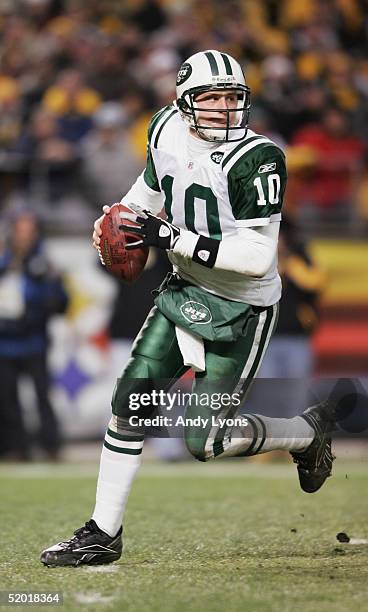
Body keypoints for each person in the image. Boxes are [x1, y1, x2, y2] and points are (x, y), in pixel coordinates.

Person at [41, 50, 337, 567]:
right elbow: (150, 190)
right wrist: (121, 217)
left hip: (241, 305)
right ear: (182, 101)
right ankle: (102, 531)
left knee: (206, 439)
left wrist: (170, 237)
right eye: (211, 98)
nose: (223, 108)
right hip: (184, 289)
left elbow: (256, 256)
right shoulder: (164, 129)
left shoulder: (258, 157)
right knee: (129, 399)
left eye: (232, 97)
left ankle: (304, 434)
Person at [0, 210, 68, 461]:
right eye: (21, 231)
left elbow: (60, 302)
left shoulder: (43, 265)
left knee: (42, 396)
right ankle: (16, 447)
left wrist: (46, 290)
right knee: (7, 399)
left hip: (33, 341)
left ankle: (51, 445)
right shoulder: (5, 262)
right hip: (5, 343)